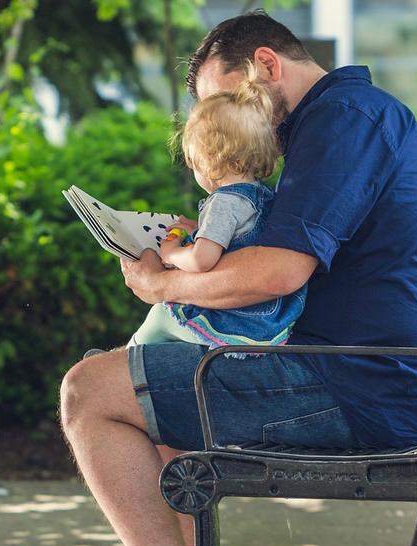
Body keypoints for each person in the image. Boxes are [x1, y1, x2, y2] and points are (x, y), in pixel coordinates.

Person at [61, 10, 417, 546]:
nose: (226, 122)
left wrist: (163, 287)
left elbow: (278, 273)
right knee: (153, 397)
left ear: (266, 66)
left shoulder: (344, 121)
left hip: (361, 386)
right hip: (372, 375)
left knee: (89, 390)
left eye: (226, 99)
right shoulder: (346, 120)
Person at [130, 64, 307, 350]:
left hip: (238, 324)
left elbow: (202, 261)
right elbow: (235, 239)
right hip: (270, 323)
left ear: (207, 158)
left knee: (162, 315)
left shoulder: (223, 203)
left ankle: (126, 358)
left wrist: (173, 253)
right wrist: (200, 229)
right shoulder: (261, 196)